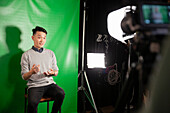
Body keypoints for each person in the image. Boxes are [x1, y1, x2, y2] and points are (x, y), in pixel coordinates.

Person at [21, 26, 65, 113]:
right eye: (39, 37)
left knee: (61, 93)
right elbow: (24, 77)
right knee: (32, 103)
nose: (42, 40)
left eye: (44, 38)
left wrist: (53, 73)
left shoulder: (50, 53)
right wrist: (31, 72)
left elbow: (56, 71)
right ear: (33, 38)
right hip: (34, 86)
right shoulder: (26, 55)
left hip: (49, 84)